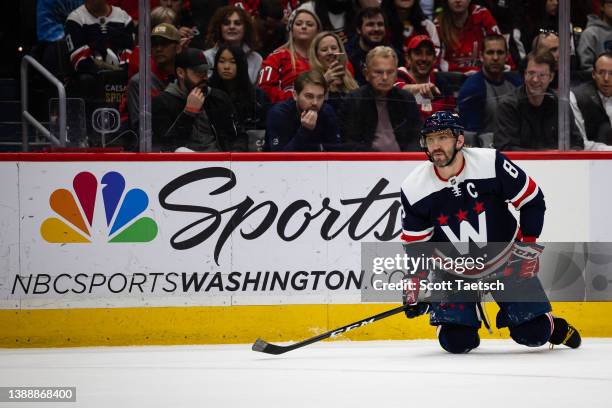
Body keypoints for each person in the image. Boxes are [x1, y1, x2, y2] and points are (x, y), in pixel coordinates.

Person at [399, 110, 582, 354]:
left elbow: (532, 200)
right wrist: (415, 282)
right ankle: (457, 323)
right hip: (453, 272)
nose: (436, 146)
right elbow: (416, 244)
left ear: (460, 140)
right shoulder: (414, 187)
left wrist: (526, 248)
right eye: (430, 139)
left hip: (505, 260)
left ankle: (554, 328)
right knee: (456, 342)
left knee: (534, 334)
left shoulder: (490, 163)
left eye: (442, 137)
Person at [152, 48, 245, 152]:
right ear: (181, 73)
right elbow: (165, 146)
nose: (205, 77)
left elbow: (239, 136)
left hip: (221, 162)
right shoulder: (162, 102)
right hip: (186, 164)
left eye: (205, 72)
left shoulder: (218, 97)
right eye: (198, 73)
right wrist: (188, 113)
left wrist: (233, 157)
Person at [494, 50, 583, 151]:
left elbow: (577, 142)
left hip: (557, 165)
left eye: (542, 75)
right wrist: (547, 155)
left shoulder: (560, 105)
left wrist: (568, 152)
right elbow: (505, 148)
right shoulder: (508, 106)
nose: (535, 79)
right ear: (524, 74)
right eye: (531, 73)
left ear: (551, 77)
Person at [339, 46, 421, 151]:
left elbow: (416, 138)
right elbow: (350, 143)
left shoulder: (406, 99)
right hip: (367, 163)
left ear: (396, 75)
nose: (385, 77)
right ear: (367, 74)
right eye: (378, 72)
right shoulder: (354, 101)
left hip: (403, 162)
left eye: (390, 72)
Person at [457, 34, 521, 146]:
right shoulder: (473, 88)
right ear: (481, 56)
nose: (495, 58)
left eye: (500, 53)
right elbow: (469, 138)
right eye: (490, 52)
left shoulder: (517, 83)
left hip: (516, 149)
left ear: (507, 56)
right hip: (485, 154)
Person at [265, 70, 341, 151]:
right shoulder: (279, 114)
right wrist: (305, 130)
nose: (315, 103)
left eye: (320, 97)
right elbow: (280, 158)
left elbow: (336, 151)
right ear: (295, 95)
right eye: (309, 96)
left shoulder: (327, 111)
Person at [258, 8, 321, 103]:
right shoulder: (276, 57)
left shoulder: (326, 56)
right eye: (298, 24)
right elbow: (265, 91)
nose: (304, 27)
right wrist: (297, 98)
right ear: (291, 29)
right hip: (286, 111)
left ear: (317, 31)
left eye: (309, 24)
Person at [126, 23, 181, 132]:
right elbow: (139, 127)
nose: (158, 49)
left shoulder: (185, 76)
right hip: (153, 143)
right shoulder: (140, 82)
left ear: (178, 48)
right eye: (154, 44)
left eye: (164, 44)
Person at [208, 44, 270, 137]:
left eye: (233, 62)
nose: (226, 67)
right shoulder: (207, 93)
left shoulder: (257, 96)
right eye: (221, 61)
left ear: (241, 65)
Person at [435, 0, 512, 74]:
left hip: (483, 77)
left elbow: (500, 47)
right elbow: (435, 63)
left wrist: (511, 69)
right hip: (450, 78)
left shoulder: (482, 14)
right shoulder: (438, 24)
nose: (458, 0)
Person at [65, 0, 135, 74]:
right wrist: (113, 69)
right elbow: (80, 61)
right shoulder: (75, 20)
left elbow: (131, 54)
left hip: (125, 77)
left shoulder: (124, 17)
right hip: (90, 79)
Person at [396, 35, 455, 121]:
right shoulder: (397, 75)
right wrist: (421, 88)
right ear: (408, 58)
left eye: (429, 53)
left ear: (435, 59)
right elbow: (395, 90)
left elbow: (451, 117)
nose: (424, 58)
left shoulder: (442, 83)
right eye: (418, 53)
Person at [204, 6, 263, 84]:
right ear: (219, 28)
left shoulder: (256, 59)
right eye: (226, 23)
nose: (231, 27)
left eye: (237, 23)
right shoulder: (206, 57)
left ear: (246, 28)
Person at [308, 31, 359, 112]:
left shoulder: (348, 75)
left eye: (334, 48)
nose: (330, 52)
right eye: (324, 50)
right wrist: (324, 82)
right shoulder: (309, 78)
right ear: (316, 55)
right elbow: (309, 108)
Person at [570, 51, 612, 149]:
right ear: (593, 74)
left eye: (611, 73)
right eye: (601, 72)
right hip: (591, 161)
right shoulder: (576, 97)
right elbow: (579, 142)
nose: (606, 79)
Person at [345, 6, 389, 85]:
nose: (376, 29)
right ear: (358, 29)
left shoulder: (393, 54)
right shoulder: (347, 55)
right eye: (370, 24)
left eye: (380, 24)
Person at [578, 0, 612, 71]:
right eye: (611, 2)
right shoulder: (590, 33)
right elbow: (586, 67)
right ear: (602, 7)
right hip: (600, 80)